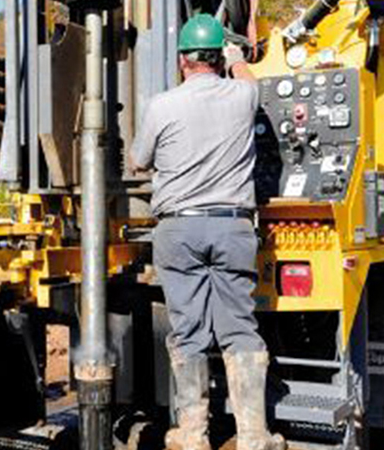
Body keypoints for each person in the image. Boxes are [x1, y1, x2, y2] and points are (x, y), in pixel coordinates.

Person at [130, 14, 285, 450]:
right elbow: (252, 82)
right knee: (239, 328)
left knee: (188, 330)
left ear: (182, 60)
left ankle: (193, 434)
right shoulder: (242, 95)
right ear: (219, 56)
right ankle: (255, 436)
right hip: (231, 226)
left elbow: (139, 160)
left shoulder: (163, 105)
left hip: (178, 230)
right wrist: (237, 58)